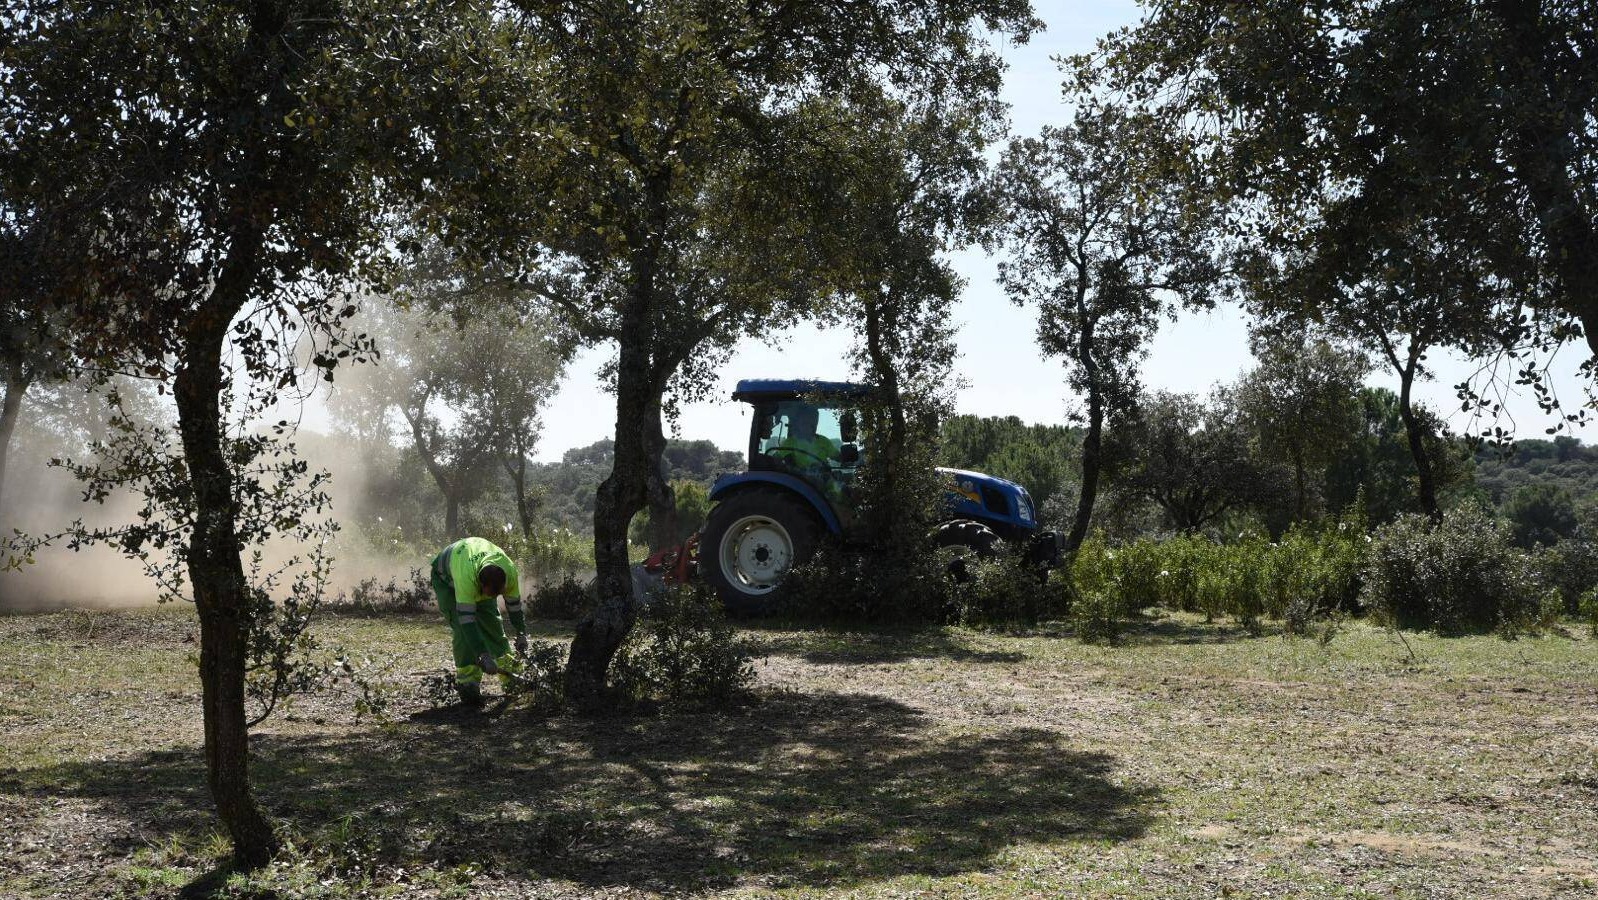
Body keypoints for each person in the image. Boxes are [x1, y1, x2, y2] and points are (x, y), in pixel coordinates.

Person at [428, 536, 529, 707]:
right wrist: (483, 655)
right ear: (480, 585)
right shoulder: (467, 579)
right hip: (447, 579)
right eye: (489, 594)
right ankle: (468, 685)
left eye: (497, 594)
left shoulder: (509, 571)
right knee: (462, 633)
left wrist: (522, 633)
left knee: (493, 627)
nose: (492, 598)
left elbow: (514, 606)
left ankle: (512, 680)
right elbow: (467, 621)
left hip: (475, 565)